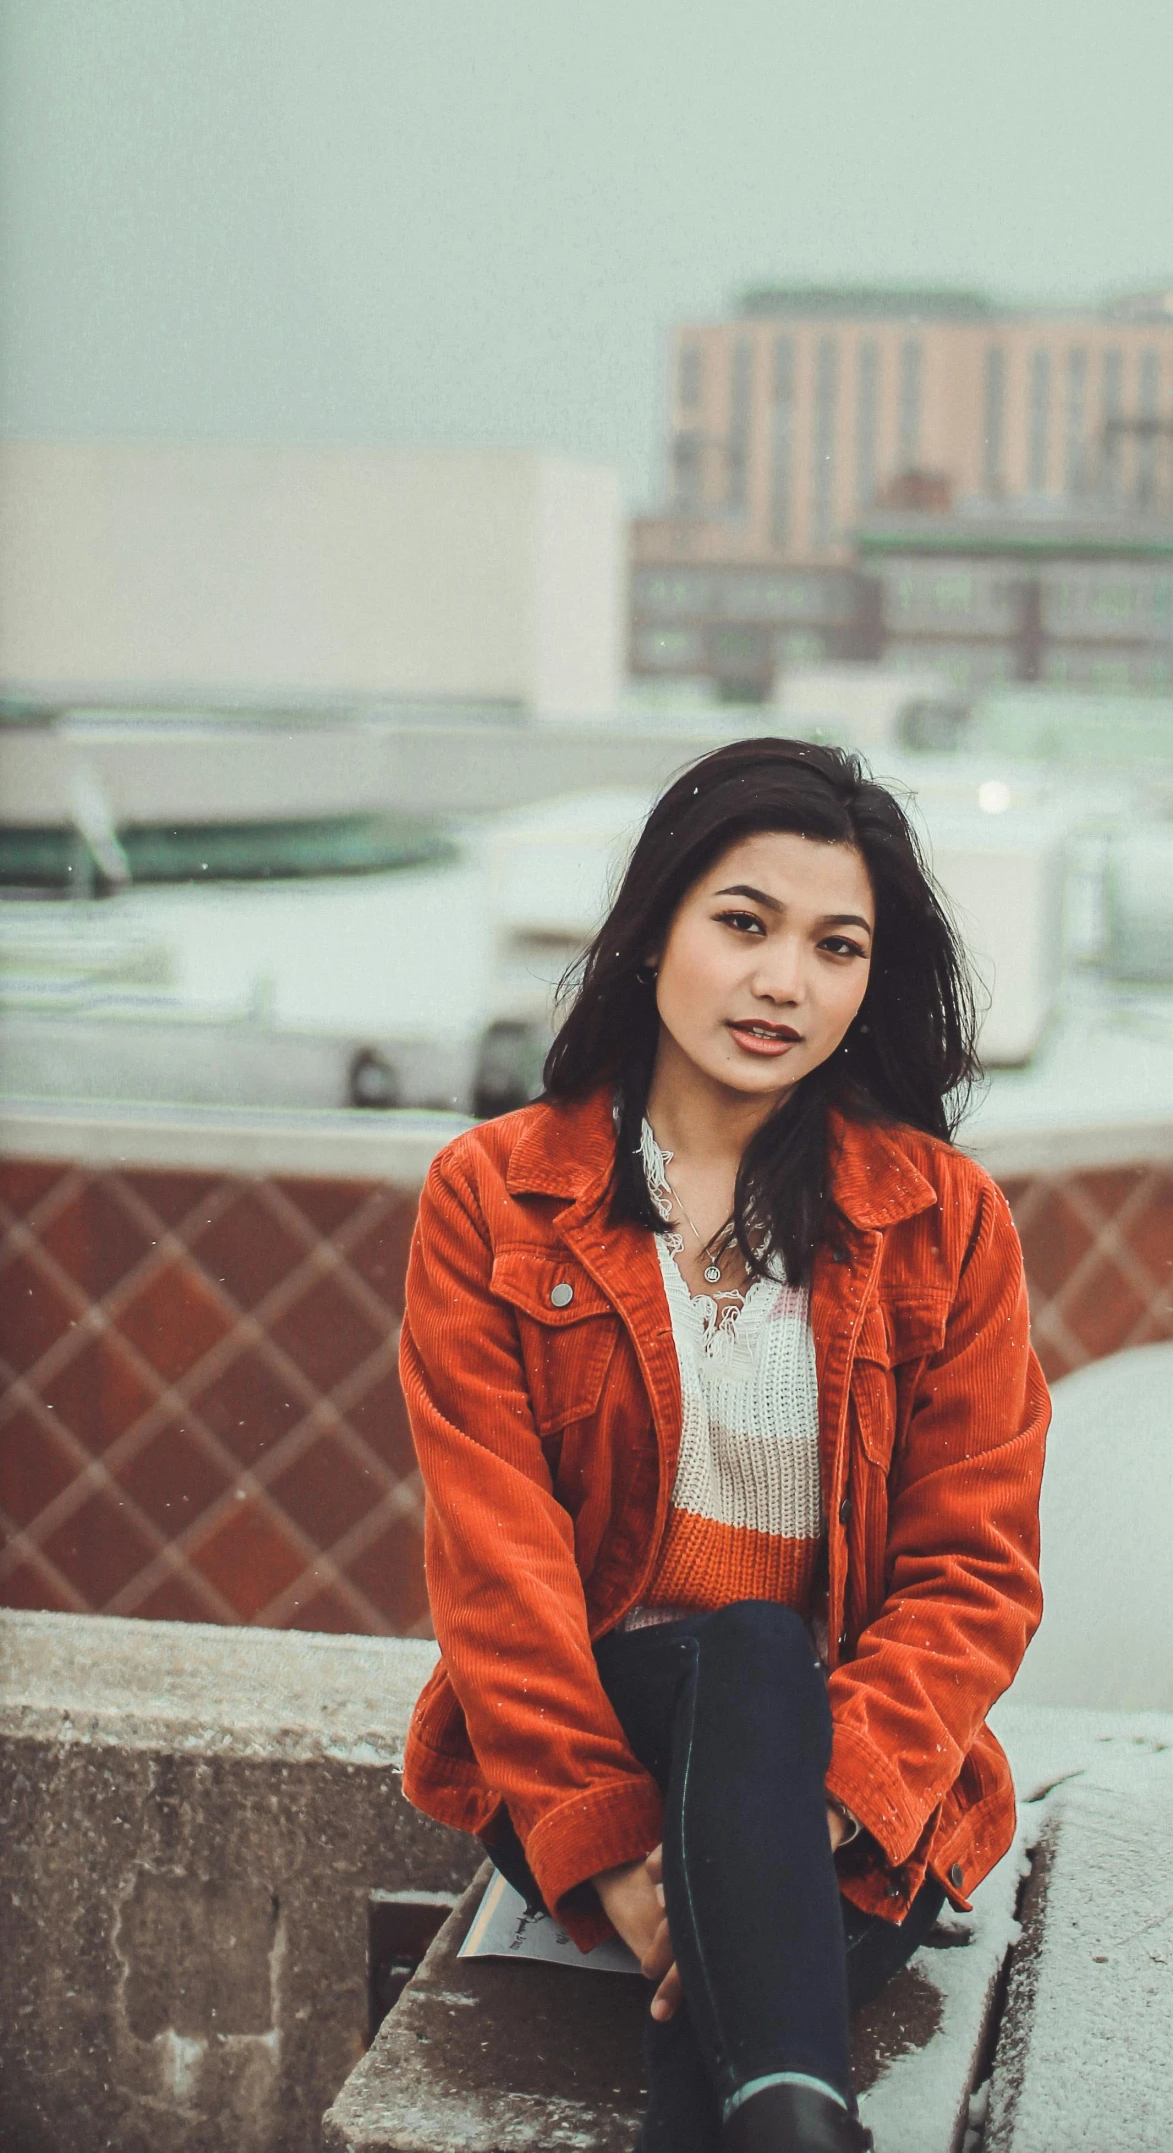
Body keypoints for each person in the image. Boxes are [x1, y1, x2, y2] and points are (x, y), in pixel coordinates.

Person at [398, 737, 1050, 2152]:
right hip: (595, 1732)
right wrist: (625, 1855)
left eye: (835, 946)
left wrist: (776, 1834)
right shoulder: (493, 1198)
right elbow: (494, 1569)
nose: (783, 983)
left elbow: (972, 1570)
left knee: (766, 1668)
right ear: (653, 934)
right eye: (742, 924)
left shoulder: (945, 1227)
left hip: (846, 1755)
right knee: (745, 1649)